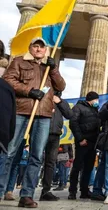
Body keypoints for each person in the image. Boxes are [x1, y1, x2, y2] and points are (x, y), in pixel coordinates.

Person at [1, 37, 65, 208]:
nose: (38, 49)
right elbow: (8, 80)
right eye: (35, 46)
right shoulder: (19, 61)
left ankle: (27, 194)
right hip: (22, 111)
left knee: (36, 156)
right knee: (10, 151)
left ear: (45, 50)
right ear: (30, 48)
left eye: (41, 47)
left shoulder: (49, 67)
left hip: (43, 114)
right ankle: (1, 189)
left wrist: (54, 69)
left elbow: (61, 85)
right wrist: (29, 91)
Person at [40, 91, 74, 201]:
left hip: (55, 134)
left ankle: (45, 191)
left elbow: (69, 114)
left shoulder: (61, 101)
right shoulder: (43, 93)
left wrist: (60, 102)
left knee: (50, 163)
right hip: (40, 131)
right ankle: (27, 191)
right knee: (35, 160)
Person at [68, 91, 101, 200]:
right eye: (96, 99)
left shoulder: (95, 109)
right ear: (91, 99)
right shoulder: (78, 107)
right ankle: (72, 191)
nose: (97, 101)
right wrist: (80, 138)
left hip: (93, 142)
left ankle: (84, 191)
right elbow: (73, 123)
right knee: (77, 167)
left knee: (88, 168)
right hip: (82, 141)